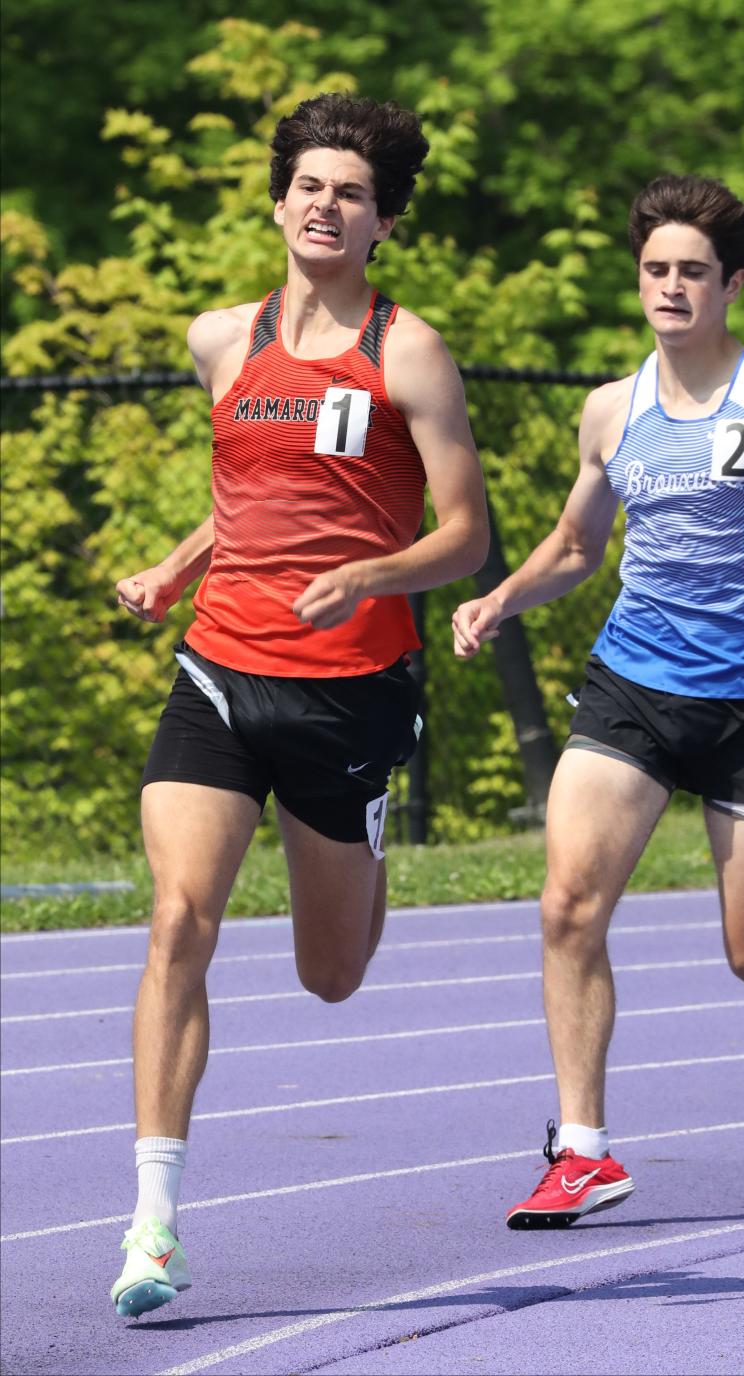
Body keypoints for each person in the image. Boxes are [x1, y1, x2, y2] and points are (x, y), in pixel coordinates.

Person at [452, 173, 744, 1229]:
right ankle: (583, 1149)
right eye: (656, 269)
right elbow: (575, 545)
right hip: (635, 687)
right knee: (568, 903)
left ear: (730, 283)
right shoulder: (612, 408)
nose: (672, 286)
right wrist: (505, 597)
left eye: (694, 270)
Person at [111, 93, 489, 1316]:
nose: (328, 206)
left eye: (354, 193)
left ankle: (367, 833)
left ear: (384, 221)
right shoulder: (221, 337)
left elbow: (468, 536)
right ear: (280, 201)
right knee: (180, 918)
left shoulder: (408, 350)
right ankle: (154, 1222)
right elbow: (249, 496)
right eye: (311, 186)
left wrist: (374, 574)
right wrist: (183, 562)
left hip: (347, 695)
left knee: (333, 973)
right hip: (220, 673)